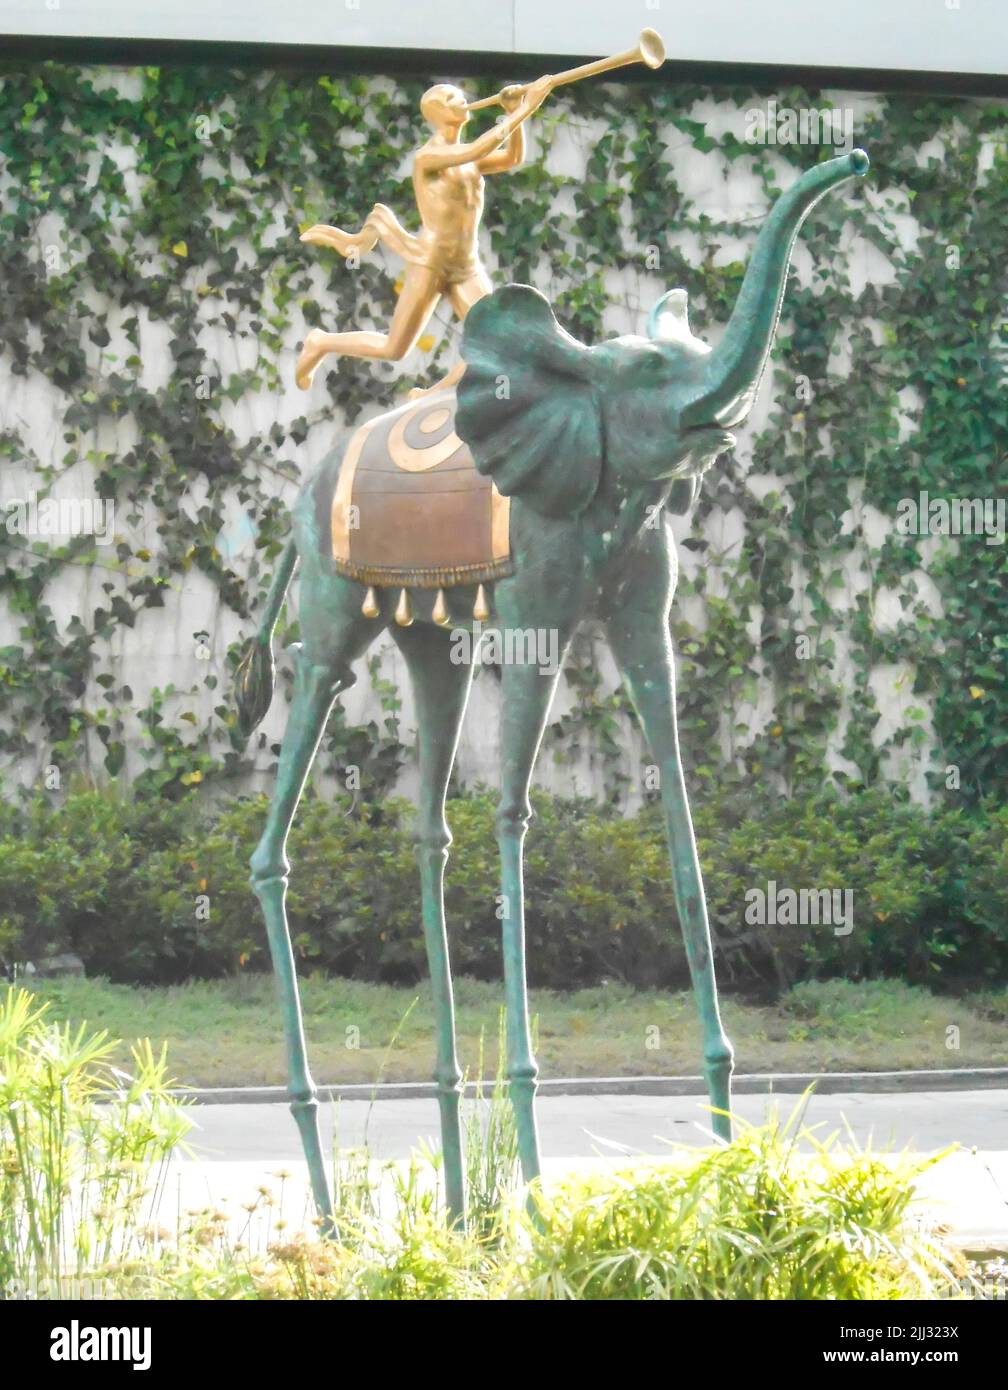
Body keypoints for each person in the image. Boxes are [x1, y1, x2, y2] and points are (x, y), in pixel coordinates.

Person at [295, 75, 553, 395]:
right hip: (431, 261)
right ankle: (321, 342)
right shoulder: (429, 157)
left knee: (496, 341)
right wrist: (525, 109)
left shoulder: (469, 161)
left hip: (465, 265)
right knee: (395, 348)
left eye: (460, 96)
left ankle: (431, 395)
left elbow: (512, 158)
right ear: (436, 112)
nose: (461, 101)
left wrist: (516, 113)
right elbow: (477, 147)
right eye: (451, 99)